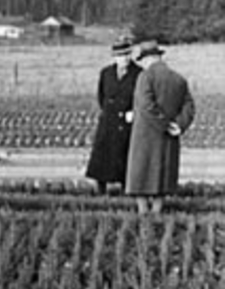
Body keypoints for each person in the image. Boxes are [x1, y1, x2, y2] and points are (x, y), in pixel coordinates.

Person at [124, 39, 195, 214]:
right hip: (169, 137)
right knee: (162, 178)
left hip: (145, 136)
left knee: (140, 177)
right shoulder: (178, 79)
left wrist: (163, 124)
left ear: (148, 59)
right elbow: (189, 106)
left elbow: (146, 105)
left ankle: (143, 214)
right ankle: (157, 213)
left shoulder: (145, 77)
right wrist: (177, 125)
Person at [84, 36, 141, 194]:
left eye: (127, 55)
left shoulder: (139, 74)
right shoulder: (106, 73)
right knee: (102, 157)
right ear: (115, 57)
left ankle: (126, 190)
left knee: (124, 158)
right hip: (108, 121)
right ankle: (100, 190)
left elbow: (142, 98)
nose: (124, 59)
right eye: (120, 56)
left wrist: (134, 113)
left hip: (127, 122)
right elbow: (101, 96)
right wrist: (109, 112)